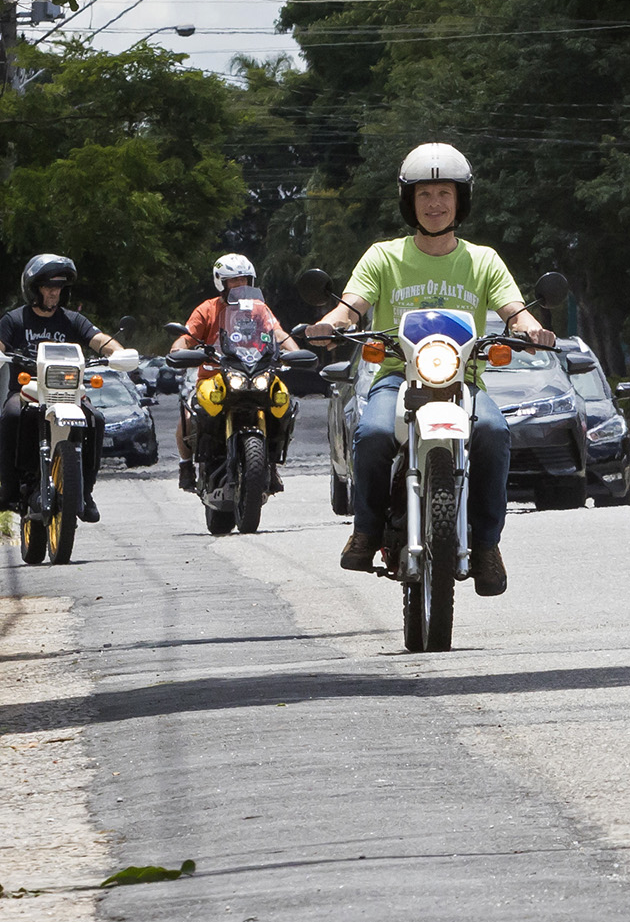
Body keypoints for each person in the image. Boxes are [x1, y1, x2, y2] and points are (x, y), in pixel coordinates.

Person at [303, 143, 555, 596]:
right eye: (424, 194)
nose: (434, 203)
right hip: (397, 376)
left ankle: (487, 544)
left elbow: (515, 312)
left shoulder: (483, 260)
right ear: (409, 201)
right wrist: (332, 324)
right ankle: (366, 530)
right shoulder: (383, 256)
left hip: (464, 380)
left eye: (444, 193)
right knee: (372, 434)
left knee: (494, 432)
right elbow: (351, 306)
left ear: (461, 200)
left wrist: (532, 329)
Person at [0, 255, 129, 522]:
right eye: (48, 286)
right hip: (27, 391)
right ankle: (8, 489)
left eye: (59, 287)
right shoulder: (14, 320)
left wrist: (119, 353)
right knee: (11, 415)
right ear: (33, 289)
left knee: (96, 418)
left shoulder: (72, 320)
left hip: (69, 392)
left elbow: (100, 340)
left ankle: (85, 492)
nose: (54, 292)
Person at [171, 254, 300, 493]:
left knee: (282, 403)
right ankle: (185, 465)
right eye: (234, 280)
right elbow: (187, 337)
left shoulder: (259, 309)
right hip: (214, 375)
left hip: (256, 371)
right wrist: (178, 350)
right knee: (189, 415)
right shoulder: (207, 309)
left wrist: (295, 352)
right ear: (221, 283)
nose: (240, 284)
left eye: (244, 279)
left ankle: (271, 462)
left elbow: (277, 333)